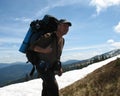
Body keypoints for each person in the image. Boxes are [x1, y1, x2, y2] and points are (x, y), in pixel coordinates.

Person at [30, 18, 72, 96]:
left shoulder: (62, 40)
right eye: (64, 25)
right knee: (53, 89)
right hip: (42, 67)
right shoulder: (48, 36)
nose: (67, 28)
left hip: (51, 68)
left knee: (46, 89)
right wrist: (44, 50)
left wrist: (59, 68)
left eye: (68, 27)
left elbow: (58, 55)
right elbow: (32, 47)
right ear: (58, 26)